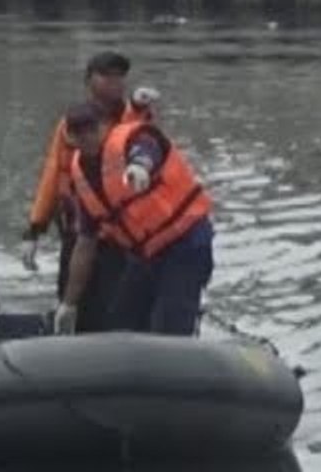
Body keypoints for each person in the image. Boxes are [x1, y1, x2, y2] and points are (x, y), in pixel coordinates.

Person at [21, 51, 160, 332]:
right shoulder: (70, 124)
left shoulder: (134, 121)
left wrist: (137, 107)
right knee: (73, 296)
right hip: (78, 228)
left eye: (119, 77)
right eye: (106, 76)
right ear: (89, 80)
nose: (114, 82)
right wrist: (35, 229)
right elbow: (52, 174)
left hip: (120, 236)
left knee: (117, 303)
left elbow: (143, 145)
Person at [54, 103, 214, 337]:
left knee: (170, 326)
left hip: (184, 245)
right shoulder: (82, 175)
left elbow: (148, 148)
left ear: (104, 126)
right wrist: (69, 303)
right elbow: (85, 244)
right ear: (70, 136)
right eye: (78, 132)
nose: (85, 137)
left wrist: (140, 167)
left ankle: (175, 364)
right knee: (121, 321)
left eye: (91, 128)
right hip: (147, 256)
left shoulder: (132, 138)